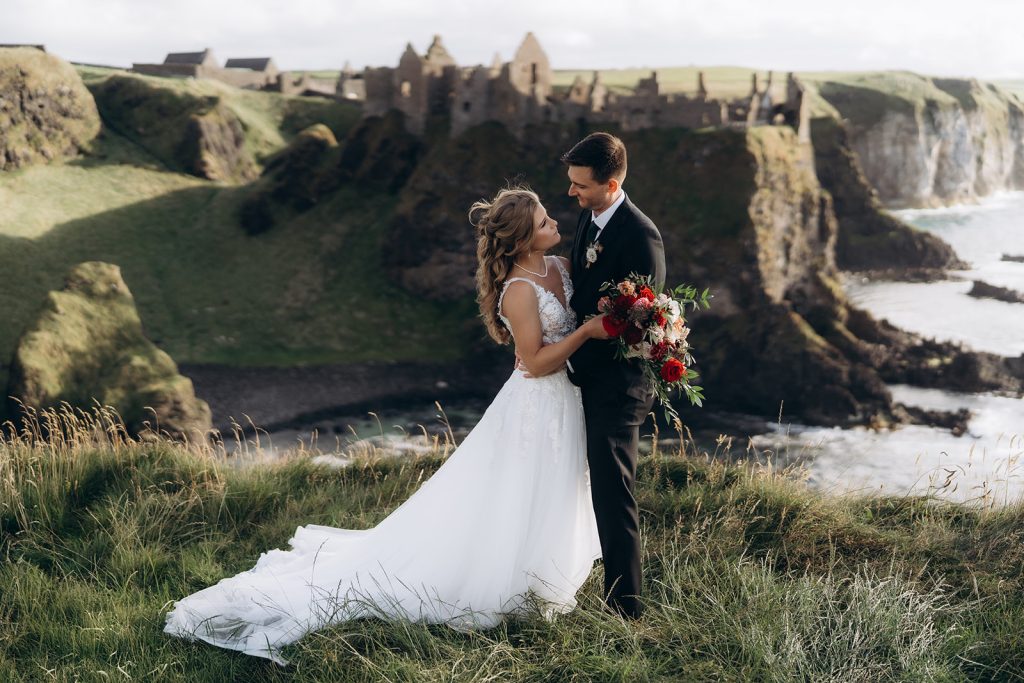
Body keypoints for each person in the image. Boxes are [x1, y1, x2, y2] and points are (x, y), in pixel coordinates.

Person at [163, 187, 610, 665]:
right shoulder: (519, 291)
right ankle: (513, 584)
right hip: (536, 404)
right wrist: (585, 332)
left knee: (555, 486)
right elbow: (537, 362)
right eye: (544, 222)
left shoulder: (560, 267)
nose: (554, 224)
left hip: (568, 402)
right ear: (522, 240)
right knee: (519, 491)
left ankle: (542, 578)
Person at [563, 132, 666, 619]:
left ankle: (627, 609)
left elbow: (643, 318)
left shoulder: (640, 235)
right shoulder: (589, 216)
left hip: (619, 388)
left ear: (611, 181)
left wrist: (593, 329)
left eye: (580, 185)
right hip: (582, 378)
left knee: (613, 494)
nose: (572, 193)